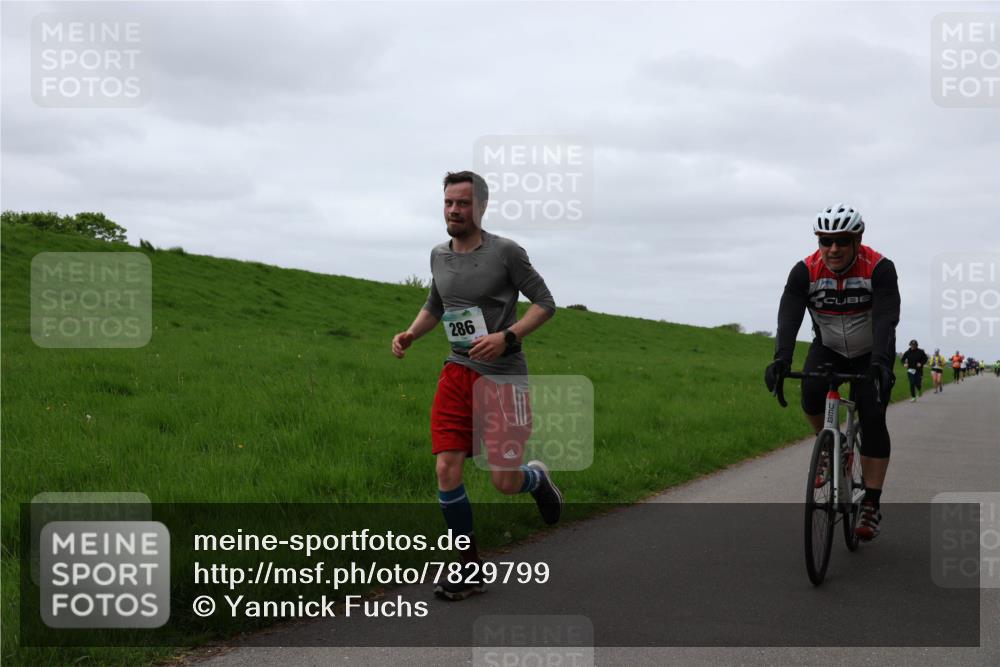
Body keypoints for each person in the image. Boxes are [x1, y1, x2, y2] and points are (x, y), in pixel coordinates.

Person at [391, 171, 561, 601]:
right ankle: (468, 567)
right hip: (456, 372)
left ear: (480, 207)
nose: (454, 210)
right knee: (446, 467)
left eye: (463, 203)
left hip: (503, 378)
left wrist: (508, 337)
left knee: (503, 480)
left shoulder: (506, 253)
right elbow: (436, 303)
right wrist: (412, 333)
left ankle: (536, 480)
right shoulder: (438, 255)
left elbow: (545, 303)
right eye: (448, 202)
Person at [765, 204, 900, 541]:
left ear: (857, 239)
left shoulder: (879, 268)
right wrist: (781, 359)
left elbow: (885, 317)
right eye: (826, 240)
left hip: (871, 350)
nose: (833, 248)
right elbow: (789, 316)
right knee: (810, 394)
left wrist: (882, 362)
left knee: (872, 415)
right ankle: (830, 445)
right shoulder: (805, 271)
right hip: (829, 347)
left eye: (841, 240)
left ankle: (870, 500)